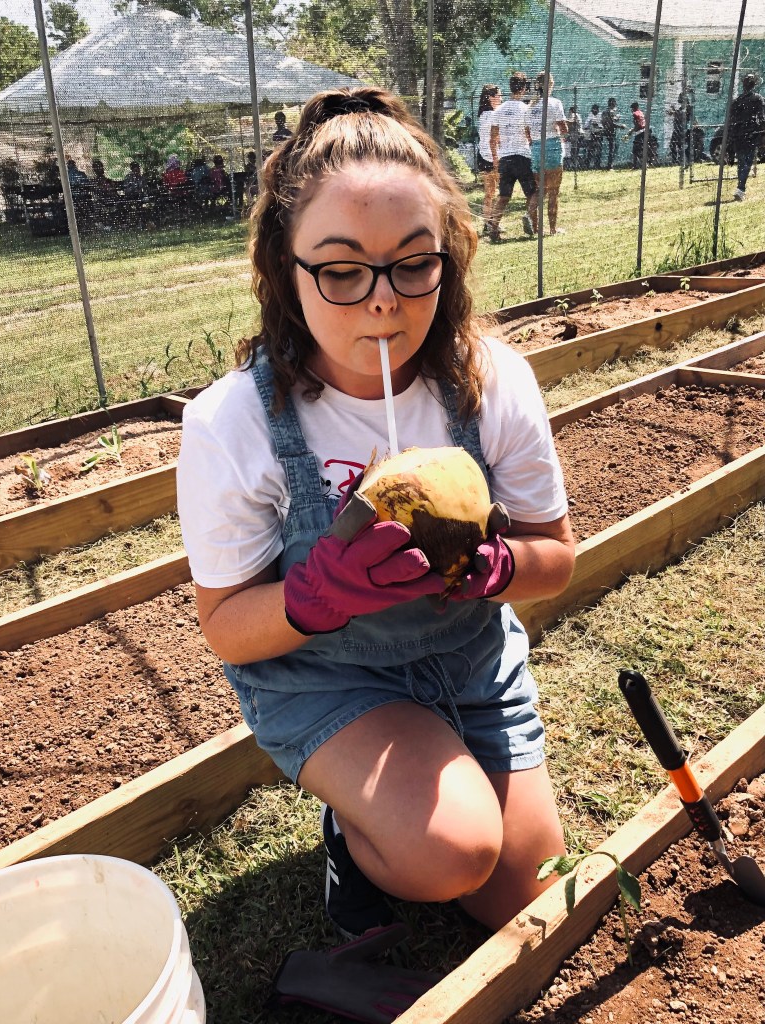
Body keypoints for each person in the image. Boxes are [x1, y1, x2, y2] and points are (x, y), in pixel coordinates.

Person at [176, 86, 575, 942]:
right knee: (452, 852)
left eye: (413, 263)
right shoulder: (234, 422)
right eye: (342, 269)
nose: (383, 300)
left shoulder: (493, 381)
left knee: (527, 892)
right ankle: (356, 837)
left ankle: (433, 776)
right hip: (328, 672)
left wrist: (502, 571)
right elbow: (225, 627)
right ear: (287, 268)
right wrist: (312, 597)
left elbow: (557, 556)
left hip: (467, 661)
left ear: (449, 259)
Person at [485, 72, 535, 243]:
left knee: (504, 196)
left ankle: (493, 227)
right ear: (523, 88)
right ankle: (531, 222)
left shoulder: (499, 109)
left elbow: (493, 137)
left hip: (505, 157)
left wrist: (495, 158)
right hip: (522, 156)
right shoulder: (525, 109)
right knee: (532, 192)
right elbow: (529, 134)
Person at [525, 72, 568, 237]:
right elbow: (563, 129)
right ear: (550, 85)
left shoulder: (530, 107)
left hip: (535, 149)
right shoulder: (555, 103)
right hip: (552, 147)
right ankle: (552, 229)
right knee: (553, 191)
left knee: (540, 189)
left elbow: (527, 133)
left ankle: (529, 214)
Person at [728, 73, 765, 201]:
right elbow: (761, 118)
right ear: (754, 85)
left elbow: (732, 120)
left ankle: (740, 187)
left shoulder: (737, 101)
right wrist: (761, 133)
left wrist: (731, 137)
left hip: (738, 135)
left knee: (742, 162)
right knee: (747, 162)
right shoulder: (757, 99)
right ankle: (741, 188)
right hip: (750, 134)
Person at [476, 84, 502, 234]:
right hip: (493, 157)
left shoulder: (482, 115)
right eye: (498, 95)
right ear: (490, 98)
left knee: (489, 192)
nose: (500, 98)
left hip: (483, 157)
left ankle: (488, 222)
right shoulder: (493, 115)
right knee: (499, 192)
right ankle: (493, 223)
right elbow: (496, 138)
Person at [600, 97, 623, 170]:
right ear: (613, 103)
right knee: (612, 149)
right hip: (611, 132)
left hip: (606, 131)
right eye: (614, 102)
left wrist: (606, 127)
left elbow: (603, 122)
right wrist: (620, 126)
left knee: (611, 148)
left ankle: (608, 164)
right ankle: (610, 166)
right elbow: (611, 123)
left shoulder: (605, 112)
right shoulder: (611, 111)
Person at [626, 102, 646, 169]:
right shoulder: (641, 113)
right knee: (642, 149)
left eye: (632, 108)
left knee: (635, 150)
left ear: (633, 108)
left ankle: (635, 166)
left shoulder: (635, 114)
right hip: (644, 132)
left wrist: (631, 131)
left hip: (639, 133)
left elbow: (637, 125)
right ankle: (644, 164)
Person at [583, 104, 603, 169]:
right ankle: (587, 165)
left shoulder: (600, 115)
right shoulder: (590, 115)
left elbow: (603, 125)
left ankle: (597, 165)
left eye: (595, 109)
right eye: (592, 109)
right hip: (592, 135)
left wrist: (597, 125)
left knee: (598, 151)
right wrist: (590, 124)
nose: (593, 111)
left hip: (599, 134)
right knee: (590, 150)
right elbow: (585, 126)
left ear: (597, 109)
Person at [565, 104, 582, 170]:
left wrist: (565, 121)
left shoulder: (575, 115)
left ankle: (574, 165)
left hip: (575, 134)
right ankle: (573, 164)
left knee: (574, 150)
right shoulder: (575, 115)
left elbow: (572, 122)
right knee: (572, 150)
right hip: (573, 134)